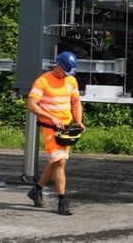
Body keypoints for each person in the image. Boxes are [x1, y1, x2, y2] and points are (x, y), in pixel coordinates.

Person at [25, 50, 85, 215]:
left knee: (55, 161)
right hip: (50, 128)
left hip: (66, 129)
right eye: (64, 72)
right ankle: (62, 201)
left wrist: (78, 120)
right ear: (57, 65)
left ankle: (36, 190)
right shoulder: (43, 81)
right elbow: (31, 105)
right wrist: (51, 118)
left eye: (69, 73)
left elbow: (76, 102)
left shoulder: (71, 81)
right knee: (60, 162)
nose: (66, 75)